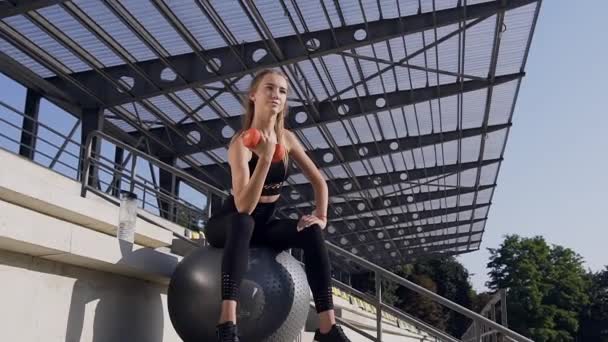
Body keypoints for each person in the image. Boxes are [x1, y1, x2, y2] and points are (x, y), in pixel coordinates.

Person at [204, 69, 351, 342]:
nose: (276, 95)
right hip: (229, 224)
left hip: (264, 227)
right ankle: (227, 324)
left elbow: (320, 182)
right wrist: (266, 157)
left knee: (311, 231)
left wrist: (321, 216)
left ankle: (328, 328)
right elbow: (244, 206)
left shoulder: (288, 138)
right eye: (269, 88)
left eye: (282, 91)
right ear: (253, 95)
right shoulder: (241, 142)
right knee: (243, 221)